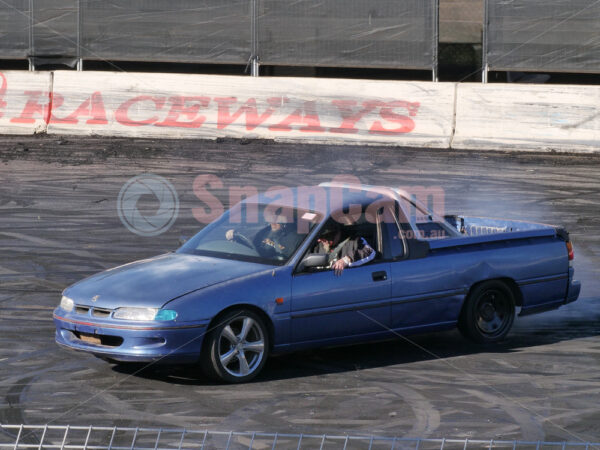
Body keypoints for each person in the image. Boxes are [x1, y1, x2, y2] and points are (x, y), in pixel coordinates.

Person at [226, 220, 301, 259]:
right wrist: (237, 238)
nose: (273, 223)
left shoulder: (295, 240)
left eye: (277, 221)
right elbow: (252, 244)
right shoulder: (265, 232)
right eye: (272, 220)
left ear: (285, 224)